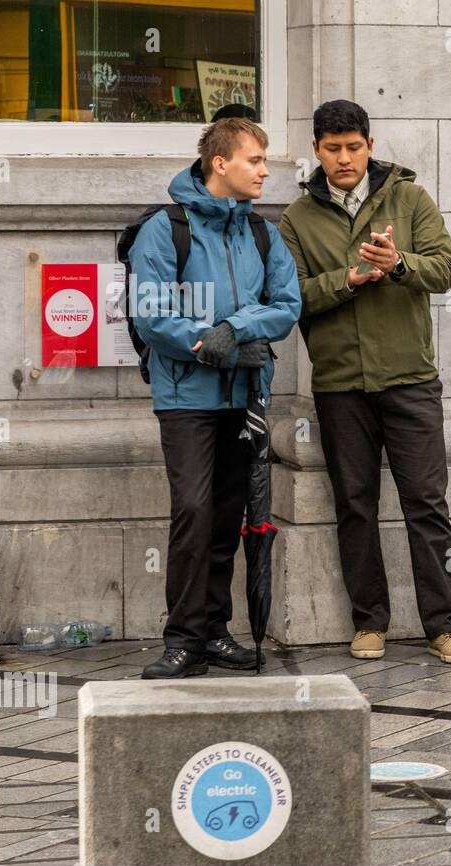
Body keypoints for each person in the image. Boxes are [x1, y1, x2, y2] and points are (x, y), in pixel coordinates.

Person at [278, 99, 451, 665]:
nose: (345, 158)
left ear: (369, 145)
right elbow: (293, 299)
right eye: (333, 148)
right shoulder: (297, 218)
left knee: (426, 504)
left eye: (354, 147)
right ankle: (370, 622)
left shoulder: (408, 197)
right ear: (316, 150)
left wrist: (399, 264)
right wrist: (349, 277)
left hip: (411, 379)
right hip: (341, 385)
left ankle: (445, 626)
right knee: (355, 505)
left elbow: (446, 269)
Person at [129, 117, 302, 679]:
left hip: (245, 397)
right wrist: (214, 344)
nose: (265, 171)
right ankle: (181, 639)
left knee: (229, 514)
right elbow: (152, 316)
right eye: (255, 160)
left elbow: (286, 304)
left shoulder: (260, 232)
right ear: (220, 163)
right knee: (194, 511)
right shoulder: (165, 228)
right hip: (185, 398)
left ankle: (215, 631)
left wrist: (234, 325)